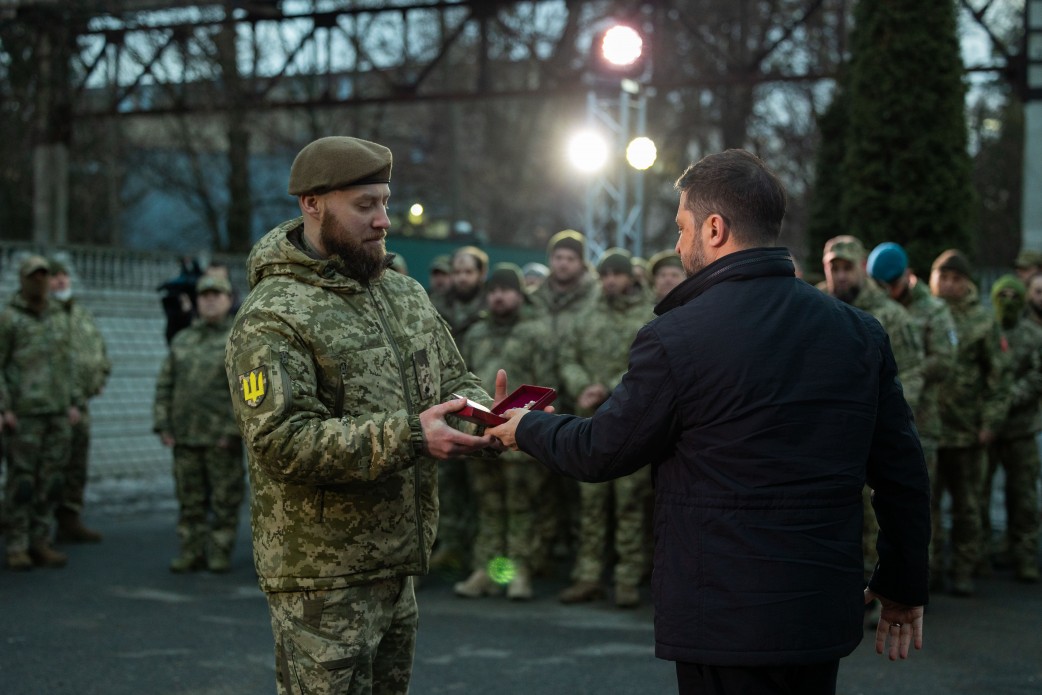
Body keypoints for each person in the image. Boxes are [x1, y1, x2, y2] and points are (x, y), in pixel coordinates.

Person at [488, 149, 930, 695]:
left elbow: (603, 449)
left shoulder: (676, 338)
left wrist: (525, 427)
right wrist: (904, 588)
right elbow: (902, 474)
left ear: (715, 229)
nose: (677, 244)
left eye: (681, 227)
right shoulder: (858, 333)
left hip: (722, 617)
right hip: (817, 615)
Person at [224, 135, 500, 695]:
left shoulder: (402, 292)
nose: (383, 221)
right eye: (365, 205)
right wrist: (412, 436)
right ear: (312, 204)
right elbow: (282, 440)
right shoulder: (273, 314)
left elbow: (452, 378)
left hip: (396, 562)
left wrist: (485, 414)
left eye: (385, 202)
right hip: (322, 576)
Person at [820, 234, 924, 627]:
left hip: (875, 436)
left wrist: (880, 421)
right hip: (829, 439)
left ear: (863, 268)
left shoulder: (891, 316)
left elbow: (911, 374)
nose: (841, 275)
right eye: (834, 267)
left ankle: (879, 591)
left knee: (879, 516)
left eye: (848, 267)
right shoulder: (816, 307)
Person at [556, 248, 654, 608]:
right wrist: (582, 385)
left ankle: (627, 578)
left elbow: (649, 366)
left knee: (630, 503)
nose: (611, 280)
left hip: (632, 423)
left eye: (618, 274)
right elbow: (567, 357)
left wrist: (610, 386)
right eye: (606, 274)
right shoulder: (586, 315)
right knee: (591, 503)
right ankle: (588, 576)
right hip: (590, 422)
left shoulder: (649, 316)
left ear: (630, 277)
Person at [455, 263, 553, 601]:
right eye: (493, 291)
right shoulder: (476, 333)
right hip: (480, 433)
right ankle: (486, 570)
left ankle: (518, 571)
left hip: (521, 437)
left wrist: (530, 424)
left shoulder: (537, 331)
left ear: (519, 294)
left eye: (506, 290)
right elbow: (460, 380)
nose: (498, 296)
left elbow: (547, 383)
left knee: (521, 506)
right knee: (488, 505)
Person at [867, 242, 958, 591]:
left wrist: (903, 378)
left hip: (922, 420)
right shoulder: (877, 308)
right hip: (883, 422)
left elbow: (945, 360)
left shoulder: (933, 311)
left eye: (892, 283)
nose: (887, 291)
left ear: (907, 276)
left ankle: (920, 577)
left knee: (920, 502)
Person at [929, 249, 1009, 596]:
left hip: (967, 431)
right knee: (925, 506)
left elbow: (997, 379)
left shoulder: (983, 321)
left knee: (967, 506)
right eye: (942, 277)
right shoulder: (924, 315)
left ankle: (962, 568)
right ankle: (930, 569)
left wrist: (990, 422)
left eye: (956, 279)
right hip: (929, 428)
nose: (948, 285)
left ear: (967, 283)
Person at [154, 275, 244, 573]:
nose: (209, 299)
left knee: (224, 502)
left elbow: (250, 392)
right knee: (189, 501)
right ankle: (191, 550)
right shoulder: (183, 339)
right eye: (204, 294)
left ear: (229, 300)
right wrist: (163, 425)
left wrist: (235, 431)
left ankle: (219, 551)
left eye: (216, 294)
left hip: (221, 438)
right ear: (195, 301)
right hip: (186, 437)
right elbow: (165, 385)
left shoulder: (240, 339)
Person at [0, 255, 75, 571]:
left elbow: (68, 363)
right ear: (22, 279)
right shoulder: (10, 318)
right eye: (33, 276)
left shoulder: (59, 315)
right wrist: (4, 407)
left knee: (52, 480)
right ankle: (17, 544)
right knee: (22, 482)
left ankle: (41, 541)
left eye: (43, 275)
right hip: (24, 414)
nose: (39, 281)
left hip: (57, 412)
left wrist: (74, 402)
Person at [49, 258, 112, 544]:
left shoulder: (81, 315)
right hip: (51, 407)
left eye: (63, 275)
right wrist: (67, 401)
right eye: (53, 276)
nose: (60, 281)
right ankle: (34, 529)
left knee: (76, 465)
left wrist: (98, 380)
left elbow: (98, 351)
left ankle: (69, 519)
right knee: (47, 468)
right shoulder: (44, 316)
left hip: (81, 405)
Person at [984, 275, 1041, 583]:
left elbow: (1037, 377)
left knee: (1024, 498)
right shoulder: (986, 330)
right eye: (1001, 295)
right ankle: (979, 556)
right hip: (988, 431)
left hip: (1021, 429)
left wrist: (1007, 399)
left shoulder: (1033, 336)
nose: (1008, 301)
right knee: (978, 495)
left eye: (1014, 296)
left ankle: (1025, 556)